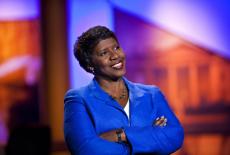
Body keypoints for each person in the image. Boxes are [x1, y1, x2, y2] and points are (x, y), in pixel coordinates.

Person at [64, 26, 184, 155]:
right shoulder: (78, 99)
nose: (115, 56)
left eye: (116, 48)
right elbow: (86, 150)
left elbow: (175, 136)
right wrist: (149, 133)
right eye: (104, 53)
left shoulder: (152, 94)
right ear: (89, 65)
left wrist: (122, 135)